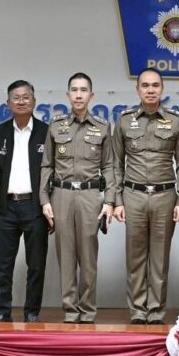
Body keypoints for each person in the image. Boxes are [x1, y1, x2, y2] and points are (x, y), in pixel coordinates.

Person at [112, 68, 179, 325]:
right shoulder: (124, 120)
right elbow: (115, 163)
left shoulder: (175, 121)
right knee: (135, 258)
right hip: (133, 195)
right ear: (137, 89)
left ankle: (155, 312)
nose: (150, 90)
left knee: (159, 258)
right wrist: (117, 200)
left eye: (155, 85)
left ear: (162, 89)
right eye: (145, 85)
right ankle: (137, 311)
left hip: (164, 196)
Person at [40, 73, 115, 324]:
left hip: (90, 195)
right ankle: (71, 310)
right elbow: (47, 165)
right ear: (68, 95)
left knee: (89, 256)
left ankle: (88, 310)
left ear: (91, 95)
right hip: (61, 195)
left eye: (84, 90)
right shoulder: (56, 125)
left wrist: (109, 201)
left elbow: (109, 166)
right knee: (66, 255)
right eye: (74, 90)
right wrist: (44, 199)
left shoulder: (102, 126)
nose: (79, 94)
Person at [0, 80, 50, 323]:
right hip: (5, 208)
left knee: (36, 265)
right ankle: (3, 310)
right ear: (8, 103)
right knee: (2, 265)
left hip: (35, 208)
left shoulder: (46, 132)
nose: (21, 101)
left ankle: (32, 312)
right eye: (16, 98)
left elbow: (53, 172)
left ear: (34, 102)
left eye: (26, 97)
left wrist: (49, 206)